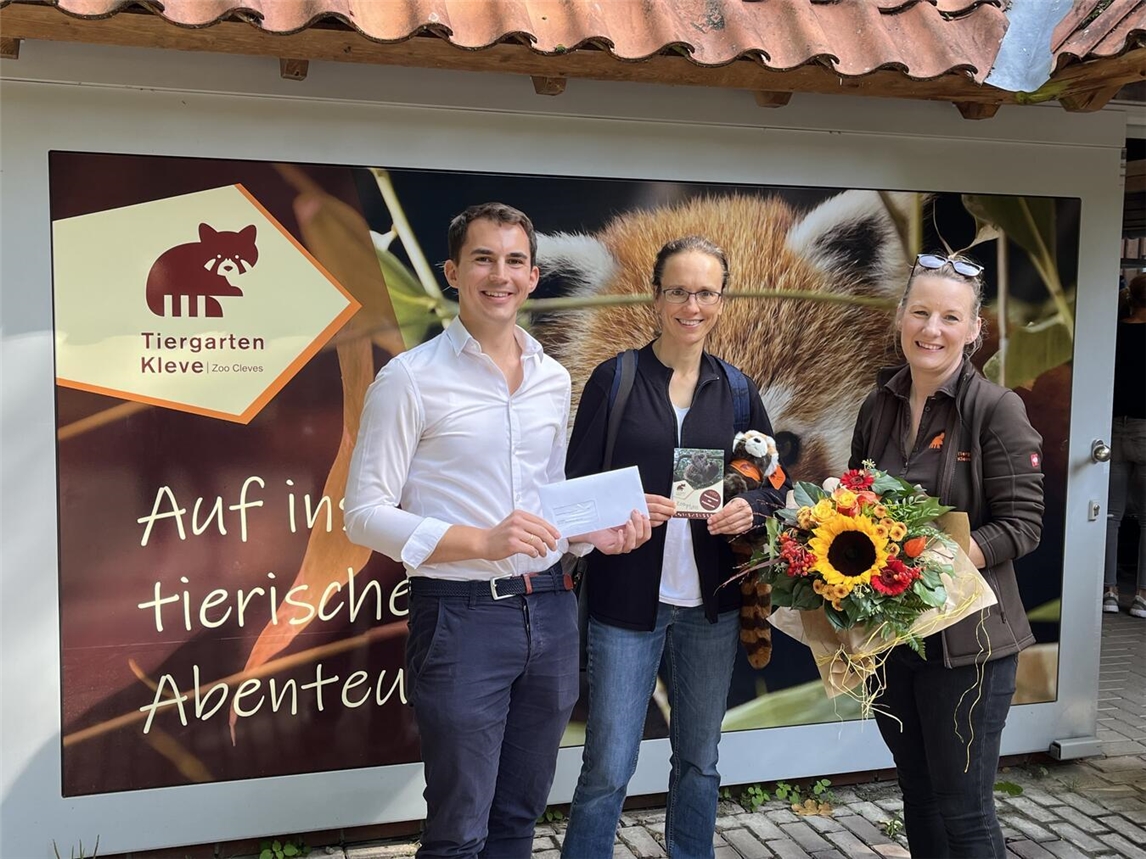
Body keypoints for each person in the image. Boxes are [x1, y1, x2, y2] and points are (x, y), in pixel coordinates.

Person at [344, 202, 649, 859]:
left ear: (534, 276)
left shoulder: (551, 377)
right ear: (453, 271)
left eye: (514, 260)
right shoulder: (410, 379)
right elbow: (364, 513)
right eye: (483, 258)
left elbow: (550, 510)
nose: (499, 274)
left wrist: (597, 535)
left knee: (518, 818)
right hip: (461, 620)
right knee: (459, 830)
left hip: (551, 611)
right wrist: (481, 540)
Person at [561, 236, 790, 859]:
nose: (692, 305)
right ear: (656, 297)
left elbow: (773, 481)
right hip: (627, 604)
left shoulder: (738, 390)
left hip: (711, 608)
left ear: (722, 299)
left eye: (706, 292)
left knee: (700, 762)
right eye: (679, 291)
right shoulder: (618, 379)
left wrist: (751, 507)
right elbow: (576, 489)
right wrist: (620, 515)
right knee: (608, 766)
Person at [849, 252, 1044, 858]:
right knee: (918, 795)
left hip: (970, 648)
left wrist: (938, 556)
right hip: (893, 639)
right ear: (901, 317)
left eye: (949, 317)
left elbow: (1023, 526)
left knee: (964, 810)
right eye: (921, 312)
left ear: (974, 329)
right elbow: (855, 504)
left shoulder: (995, 409)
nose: (932, 329)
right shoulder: (877, 404)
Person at [1104, 274, 1146, 617]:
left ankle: (1108, 591)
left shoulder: (1113, 332)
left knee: (1109, 515)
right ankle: (1143, 596)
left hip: (1114, 427)